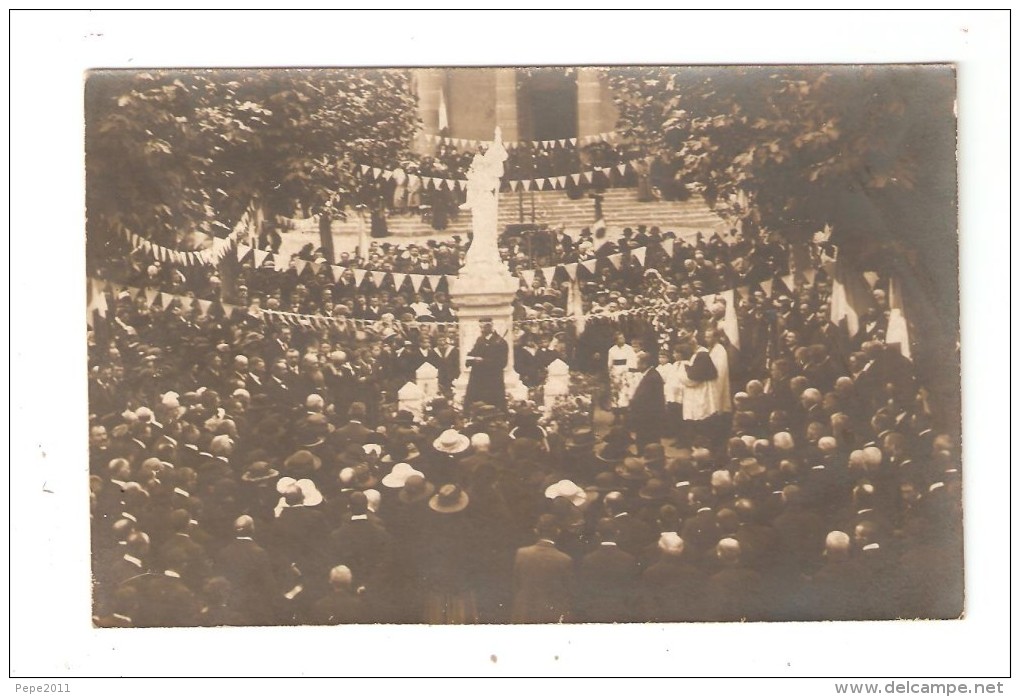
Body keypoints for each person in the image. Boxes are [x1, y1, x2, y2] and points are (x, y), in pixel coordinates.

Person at [510, 514, 575, 623]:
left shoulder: (521, 553)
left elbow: (516, 584)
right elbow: (568, 593)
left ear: (536, 531)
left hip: (524, 612)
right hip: (552, 615)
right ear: (557, 532)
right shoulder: (565, 560)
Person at [464, 320, 508, 412]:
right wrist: (471, 359)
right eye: (481, 326)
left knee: (493, 407)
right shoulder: (479, 340)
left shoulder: (501, 342)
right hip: (478, 379)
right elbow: (472, 353)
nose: (482, 329)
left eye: (485, 326)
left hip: (492, 380)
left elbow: (502, 363)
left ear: (490, 327)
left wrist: (483, 361)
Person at [627, 352, 666, 448]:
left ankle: (646, 455)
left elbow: (644, 397)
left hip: (649, 415)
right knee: (647, 437)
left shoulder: (652, 377)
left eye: (638, 363)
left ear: (644, 364)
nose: (637, 366)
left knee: (648, 437)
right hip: (649, 414)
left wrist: (632, 403)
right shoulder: (650, 374)